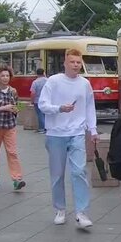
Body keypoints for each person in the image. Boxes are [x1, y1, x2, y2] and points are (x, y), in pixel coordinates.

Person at [38, 48, 98, 229]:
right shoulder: (53, 82)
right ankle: (60, 209)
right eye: (72, 62)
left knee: (79, 171)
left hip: (77, 132)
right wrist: (59, 108)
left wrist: (92, 129)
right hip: (55, 133)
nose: (75, 65)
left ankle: (81, 212)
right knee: (57, 174)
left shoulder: (85, 84)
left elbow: (89, 107)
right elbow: (42, 104)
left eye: (79, 63)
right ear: (65, 63)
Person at [30, 67, 47, 134]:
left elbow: (33, 93)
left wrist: (32, 101)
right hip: (46, 100)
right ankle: (44, 128)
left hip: (37, 101)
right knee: (45, 114)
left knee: (40, 115)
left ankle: (42, 128)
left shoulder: (35, 82)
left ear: (37, 74)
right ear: (43, 73)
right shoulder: (48, 80)